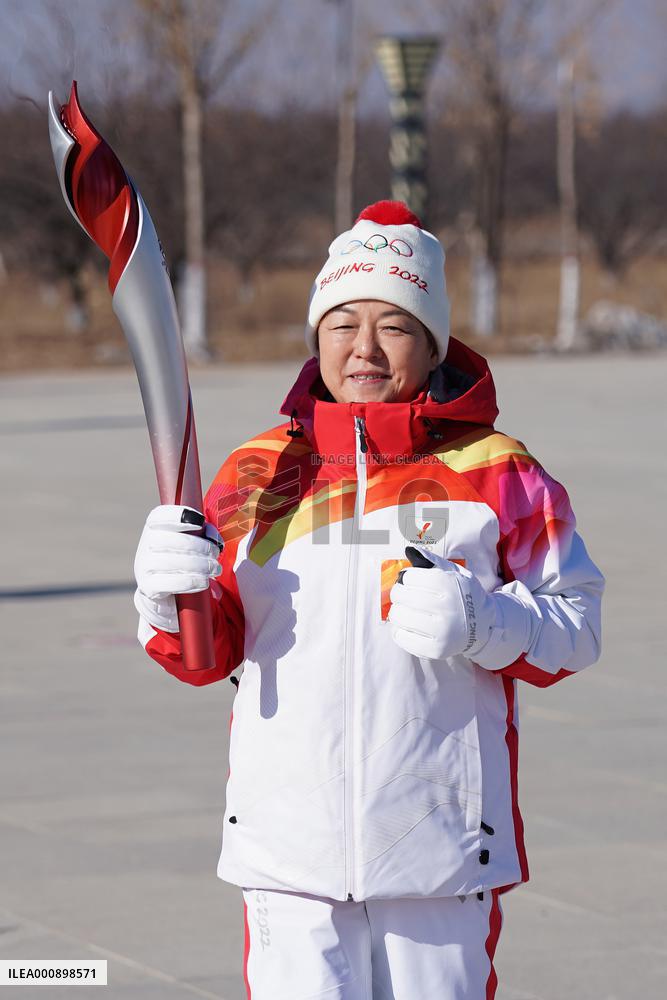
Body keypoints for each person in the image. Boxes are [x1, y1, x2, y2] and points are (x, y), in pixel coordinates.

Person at [133, 201, 605, 999]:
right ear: (316, 336)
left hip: (436, 848)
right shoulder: (255, 474)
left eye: (394, 326)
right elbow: (202, 655)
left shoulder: (497, 472)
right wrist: (163, 593)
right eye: (342, 323)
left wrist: (483, 621)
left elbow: (577, 626)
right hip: (287, 847)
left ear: (432, 342)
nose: (363, 347)